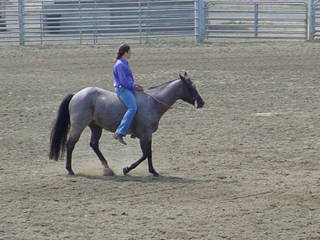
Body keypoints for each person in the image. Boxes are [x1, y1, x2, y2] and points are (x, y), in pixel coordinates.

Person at [112, 44, 144, 145]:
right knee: (132, 108)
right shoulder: (120, 65)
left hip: (128, 88)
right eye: (130, 51)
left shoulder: (124, 63)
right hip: (123, 89)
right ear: (125, 53)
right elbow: (123, 82)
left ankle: (135, 129)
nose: (131, 53)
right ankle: (120, 132)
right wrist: (135, 88)